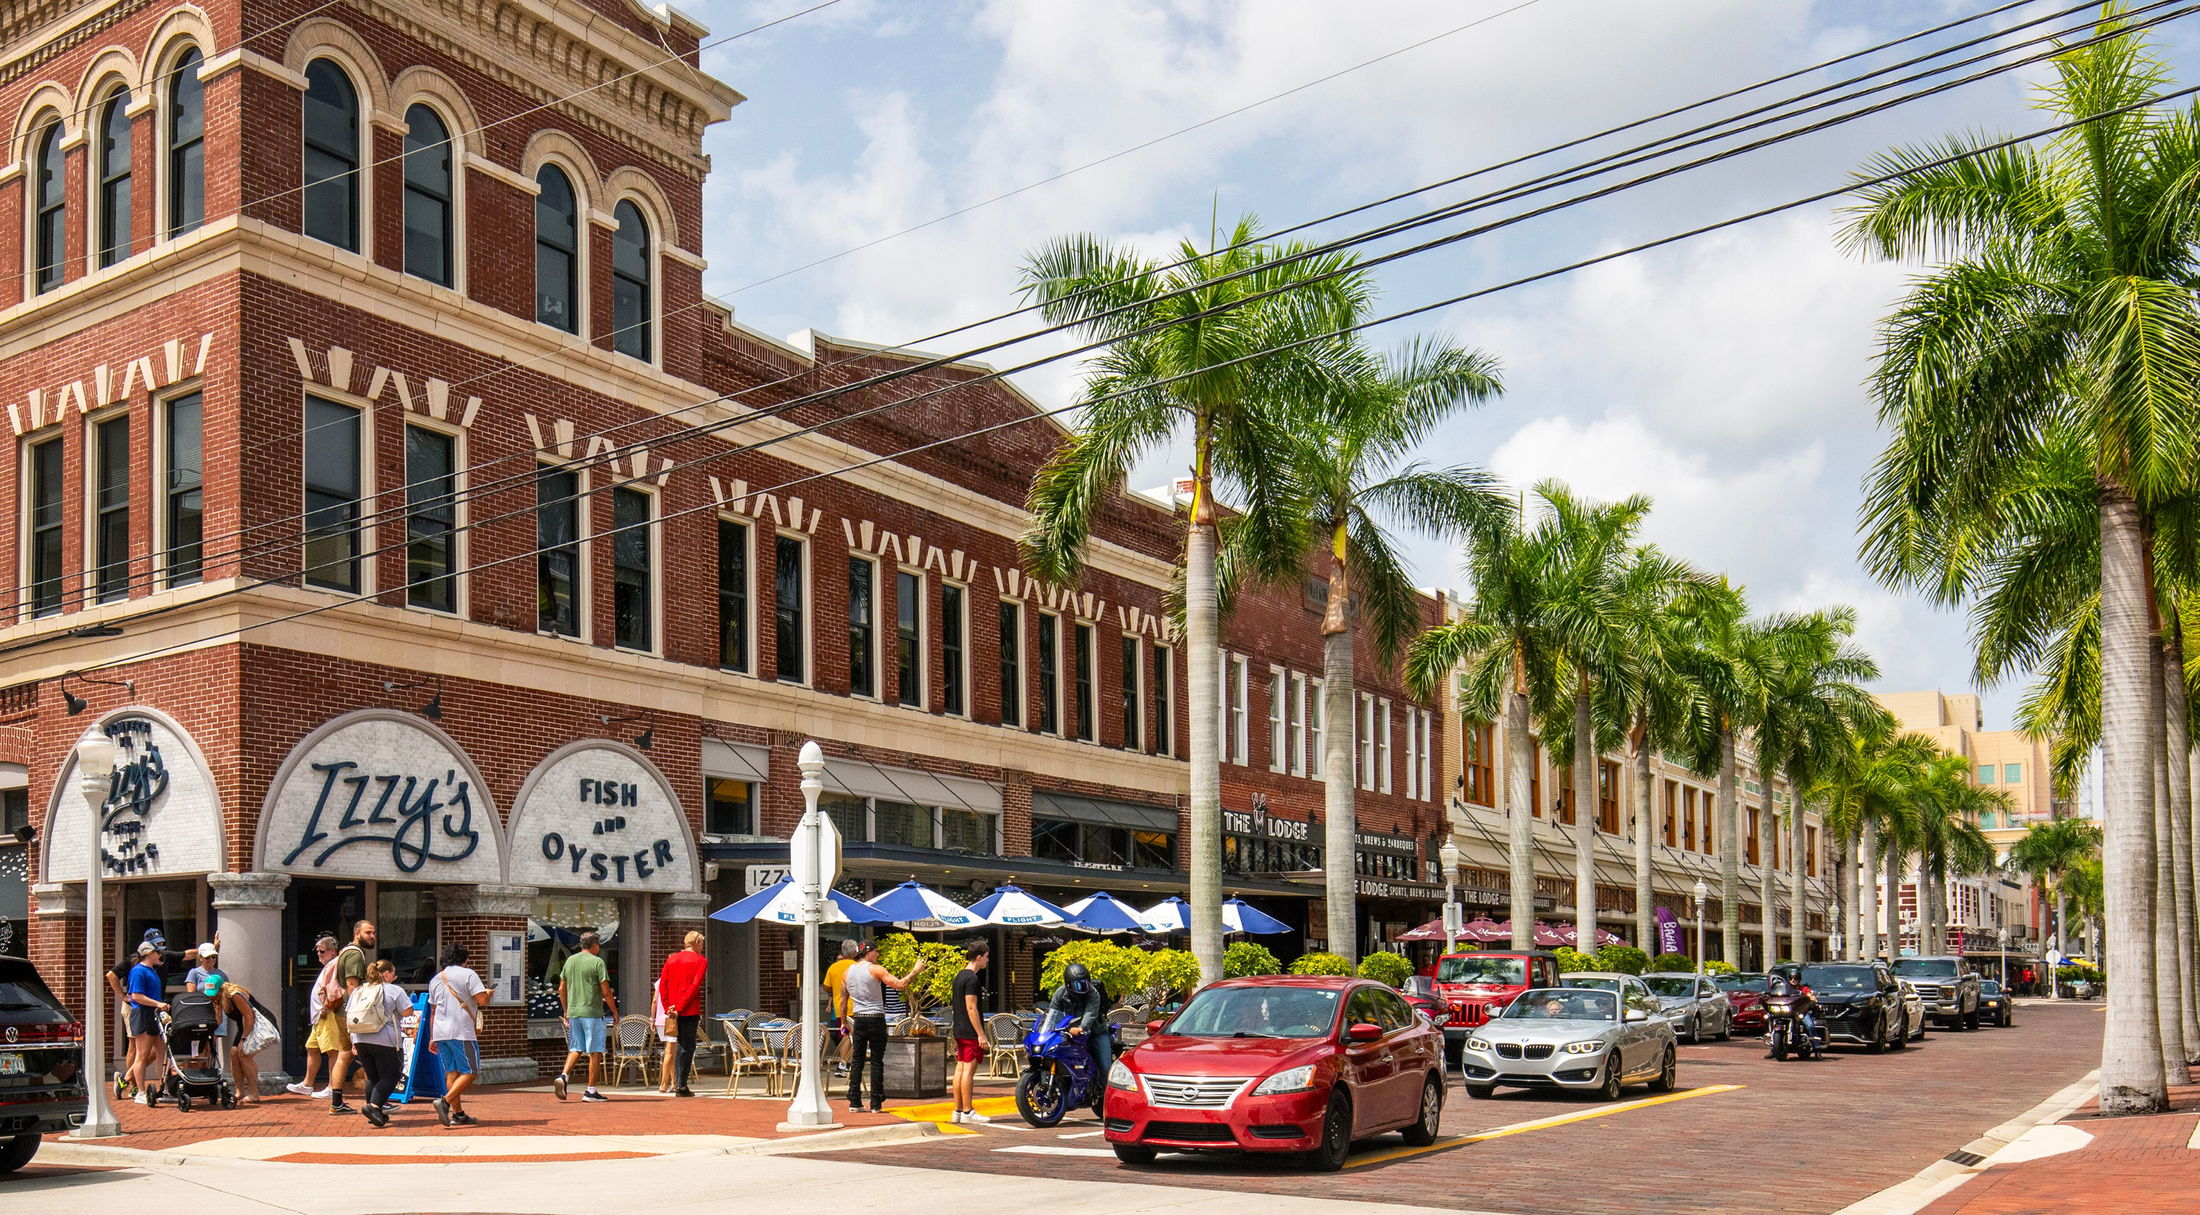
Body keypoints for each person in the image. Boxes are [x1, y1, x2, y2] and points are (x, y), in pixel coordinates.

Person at [842, 940, 926, 1113]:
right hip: (876, 1018)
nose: (878, 955)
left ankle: (854, 1101)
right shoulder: (876, 969)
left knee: (857, 1060)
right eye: (876, 951)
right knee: (876, 1060)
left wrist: (844, 1021)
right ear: (869, 952)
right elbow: (899, 984)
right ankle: (875, 1102)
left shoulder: (847, 972)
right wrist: (915, 971)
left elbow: (843, 999)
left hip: (858, 1018)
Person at [427, 943, 489, 1128]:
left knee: (452, 1072)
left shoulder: (436, 979)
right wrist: (488, 993)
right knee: (471, 1071)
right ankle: (445, 1102)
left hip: (440, 1031)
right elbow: (482, 1000)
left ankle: (459, 1114)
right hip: (461, 1031)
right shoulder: (468, 974)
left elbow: (433, 1010)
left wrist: (432, 1037)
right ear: (465, 959)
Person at [346, 959, 412, 1127]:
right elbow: (407, 1011)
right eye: (394, 974)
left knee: (373, 1076)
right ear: (387, 973)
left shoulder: (359, 990)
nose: (394, 977)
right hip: (385, 1039)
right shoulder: (394, 990)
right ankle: (374, 1107)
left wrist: (353, 1041)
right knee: (392, 1075)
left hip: (360, 1038)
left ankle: (375, 1113)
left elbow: (349, 1014)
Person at [555, 930, 618, 1102]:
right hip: (592, 1012)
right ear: (595, 945)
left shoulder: (570, 961)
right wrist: (614, 1011)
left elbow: (561, 989)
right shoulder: (597, 962)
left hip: (574, 1013)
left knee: (576, 1048)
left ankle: (563, 1076)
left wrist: (566, 1010)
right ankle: (590, 1091)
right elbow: (606, 991)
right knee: (595, 1051)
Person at [288, 936, 344, 1101]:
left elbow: (335, 990)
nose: (319, 954)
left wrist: (327, 1007)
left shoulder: (335, 964)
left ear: (332, 951)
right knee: (311, 1047)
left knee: (332, 1051)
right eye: (318, 951)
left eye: (322, 951)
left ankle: (332, 1087)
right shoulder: (328, 965)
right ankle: (307, 1084)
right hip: (319, 1016)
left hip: (327, 1014)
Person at [1046, 961, 1112, 1091]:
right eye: (1077, 985)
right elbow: (1052, 1014)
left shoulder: (1093, 993)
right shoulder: (1060, 993)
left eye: (1085, 984)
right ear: (1068, 984)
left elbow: (1090, 1013)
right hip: (1068, 1034)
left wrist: (1082, 1027)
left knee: (1105, 1066)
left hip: (1095, 1032)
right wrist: (1048, 1028)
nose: (1082, 988)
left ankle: (1107, 1096)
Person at [656, 931, 707, 1098]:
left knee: (679, 1044)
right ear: (697, 943)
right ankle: (681, 1084)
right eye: (701, 943)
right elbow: (694, 986)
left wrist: (668, 1006)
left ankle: (678, 1082)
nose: (702, 947)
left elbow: (663, 984)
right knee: (688, 1045)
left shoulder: (672, 959)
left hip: (673, 1009)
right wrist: (680, 1007)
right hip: (689, 1009)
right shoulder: (701, 961)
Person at [948, 941, 991, 1125]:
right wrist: (981, 1034)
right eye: (987, 957)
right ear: (979, 957)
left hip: (959, 1029)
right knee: (968, 1071)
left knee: (960, 1069)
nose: (988, 960)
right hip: (970, 1031)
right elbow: (971, 1008)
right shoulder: (972, 979)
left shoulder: (959, 976)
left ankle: (957, 1110)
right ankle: (967, 1110)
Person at [123, 942, 169, 1103]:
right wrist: (157, 1004)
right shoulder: (138, 971)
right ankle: (141, 1092)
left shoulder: (151, 970)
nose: (159, 955)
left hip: (154, 1014)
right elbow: (136, 996)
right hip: (142, 1014)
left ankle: (164, 1088)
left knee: (162, 1053)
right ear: (149, 954)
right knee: (142, 1055)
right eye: (157, 953)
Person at [824, 939, 859, 1075]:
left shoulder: (834, 967)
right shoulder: (857, 966)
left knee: (845, 1035)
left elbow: (826, 986)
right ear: (855, 952)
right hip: (857, 1006)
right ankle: (847, 1063)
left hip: (840, 1008)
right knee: (853, 1037)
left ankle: (844, 1064)